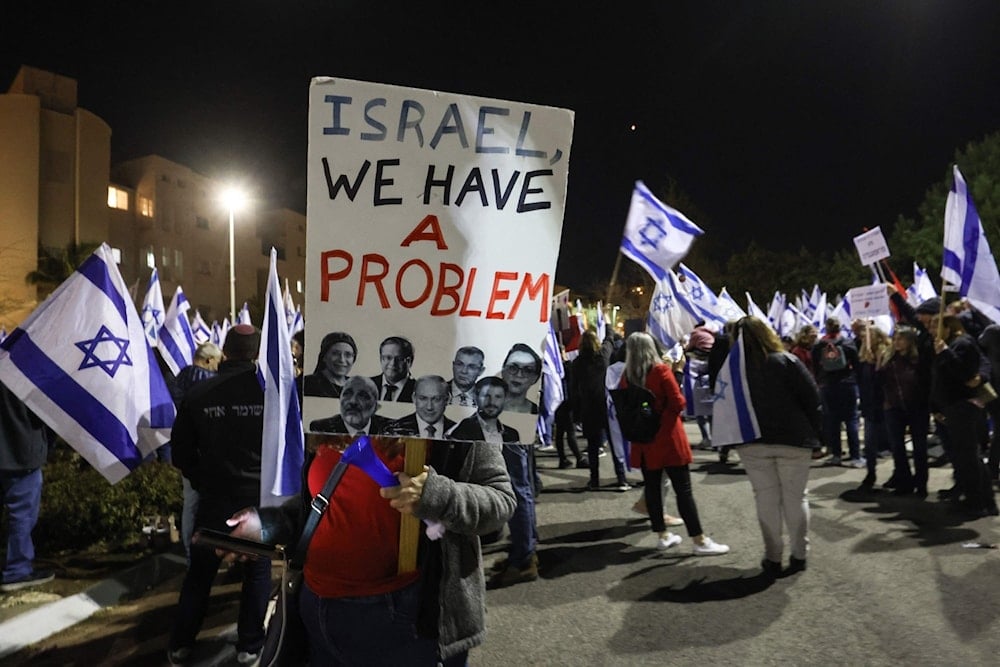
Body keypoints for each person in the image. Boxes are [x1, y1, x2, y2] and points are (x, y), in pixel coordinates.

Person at [224, 433, 516, 665]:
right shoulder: (333, 401)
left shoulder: (456, 409)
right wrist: (266, 525)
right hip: (319, 612)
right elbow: (320, 504)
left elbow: (501, 501)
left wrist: (435, 495)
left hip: (407, 621)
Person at [167, 324, 271, 665]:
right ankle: (250, 646)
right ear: (256, 354)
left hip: (214, 499)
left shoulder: (199, 394)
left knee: (200, 574)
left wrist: (203, 480)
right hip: (254, 500)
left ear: (225, 351)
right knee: (256, 572)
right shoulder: (270, 395)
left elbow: (180, 454)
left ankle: (180, 644)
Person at [727, 317, 821, 578]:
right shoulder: (787, 361)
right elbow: (813, 399)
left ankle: (773, 556)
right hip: (794, 439)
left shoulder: (733, 368)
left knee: (766, 498)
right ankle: (799, 554)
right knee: (796, 497)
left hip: (753, 441)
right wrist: (817, 437)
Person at [621, 332, 729, 556]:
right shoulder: (660, 370)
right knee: (684, 491)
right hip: (668, 438)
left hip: (645, 442)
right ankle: (699, 540)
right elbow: (678, 402)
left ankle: (662, 535)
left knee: (652, 489)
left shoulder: (627, 376)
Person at [448, 377, 537, 587]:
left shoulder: (507, 425)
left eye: (496, 396)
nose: (490, 400)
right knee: (522, 485)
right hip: (513, 421)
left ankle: (523, 559)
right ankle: (525, 551)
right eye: (486, 396)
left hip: (510, 424)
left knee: (516, 488)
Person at [930, 314, 998, 518]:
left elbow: (965, 373)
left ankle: (979, 502)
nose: (932, 330)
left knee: (969, 456)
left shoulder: (962, 343)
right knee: (966, 455)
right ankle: (979, 500)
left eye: (936, 325)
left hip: (963, 406)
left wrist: (944, 352)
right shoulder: (953, 344)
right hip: (953, 406)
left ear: (949, 327)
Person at [0, 380, 55, 592]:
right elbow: (47, 413)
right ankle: (18, 570)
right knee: (22, 515)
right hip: (22, 452)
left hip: (16, 451)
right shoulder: (25, 366)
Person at [168, 341, 222, 557]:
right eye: (217, 362)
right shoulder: (210, 382)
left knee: (190, 504)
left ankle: (190, 550)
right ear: (209, 360)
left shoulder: (179, 379)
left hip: (185, 449)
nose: (219, 366)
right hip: (207, 451)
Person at [876, 326, 931, 496]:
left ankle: (921, 484)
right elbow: (879, 381)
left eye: (901, 338)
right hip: (894, 407)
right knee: (897, 447)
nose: (897, 342)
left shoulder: (918, 359)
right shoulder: (889, 358)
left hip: (917, 408)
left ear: (910, 340)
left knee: (919, 448)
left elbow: (926, 382)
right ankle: (905, 481)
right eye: (895, 338)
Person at [571, 330, 628, 491]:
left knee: (592, 447)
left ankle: (594, 480)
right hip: (606, 407)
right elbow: (609, 340)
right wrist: (608, 328)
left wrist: (576, 414)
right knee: (614, 442)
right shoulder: (603, 357)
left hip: (588, 408)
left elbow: (574, 390)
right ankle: (621, 478)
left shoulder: (577, 363)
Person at [811, 316, 862, 467]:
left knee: (833, 421)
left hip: (828, 386)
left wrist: (821, 381)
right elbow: (857, 363)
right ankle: (855, 456)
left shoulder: (819, 345)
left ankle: (836, 455)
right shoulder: (847, 343)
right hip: (847, 384)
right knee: (851, 419)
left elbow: (815, 366)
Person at [309, 375, 391, 435]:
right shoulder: (321, 428)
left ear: (375, 408)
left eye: (362, 396)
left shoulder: (389, 428)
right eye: (347, 394)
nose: (353, 401)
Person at [382, 375, 456, 438]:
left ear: (447, 399)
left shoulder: (458, 431)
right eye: (423, 398)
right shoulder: (393, 429)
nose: (429, 407)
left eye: (436, 399)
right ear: (414, 398)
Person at [303, 331, 357, 398]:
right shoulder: (308, 384)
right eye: (335, 353)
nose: (342, 360)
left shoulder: (357, 386)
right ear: (324, 357)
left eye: (348, 355)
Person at [977, 322, 1000, 481]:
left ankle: (992, 468)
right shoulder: (993, 330)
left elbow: (980, 345)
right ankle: (992, 467)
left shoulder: (992, 330)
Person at [371, 336, 416, 402]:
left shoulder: (419, 390)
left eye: (399, 359)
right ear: (381, 359)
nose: (393, 363)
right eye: (388, 358)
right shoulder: (367, 385)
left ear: (409, 361)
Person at [500, 343, 541, 414]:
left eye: (527, 370)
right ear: (503, 371)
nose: (519, 375)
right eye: (513, 368)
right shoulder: (485, 407)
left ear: (535, 378)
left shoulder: (540, 415)